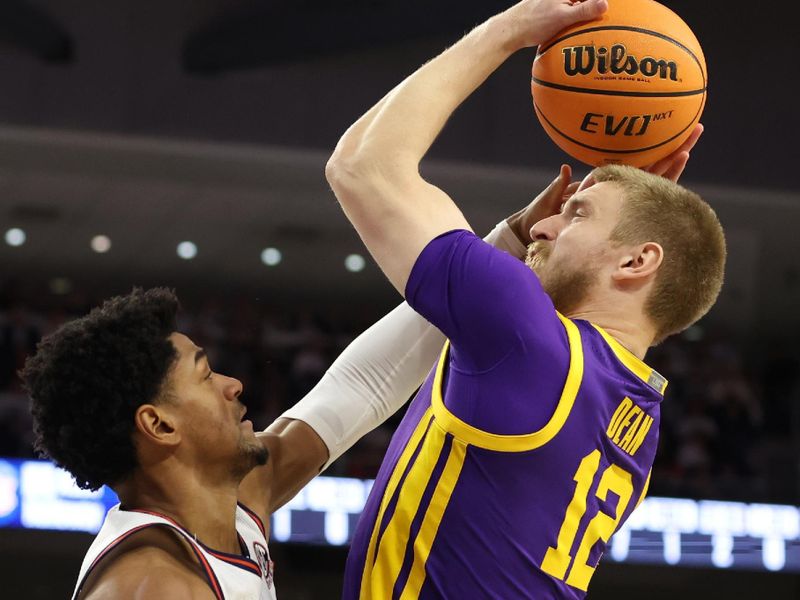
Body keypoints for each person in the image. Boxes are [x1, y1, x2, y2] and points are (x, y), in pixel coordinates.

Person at [325, 0, 727, 597]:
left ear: (638, 261)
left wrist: (507, 31)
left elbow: (361, 167)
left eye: (575, 213)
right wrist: (630, 211)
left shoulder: (530, 343)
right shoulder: (636, 412)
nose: (541, 225)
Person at [20, 206, 533, 598]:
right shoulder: (152, 584)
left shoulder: (239, 501)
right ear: (159, 425)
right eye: (205, 375)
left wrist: (506, 244)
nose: (233, 384)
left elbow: (360, 386)